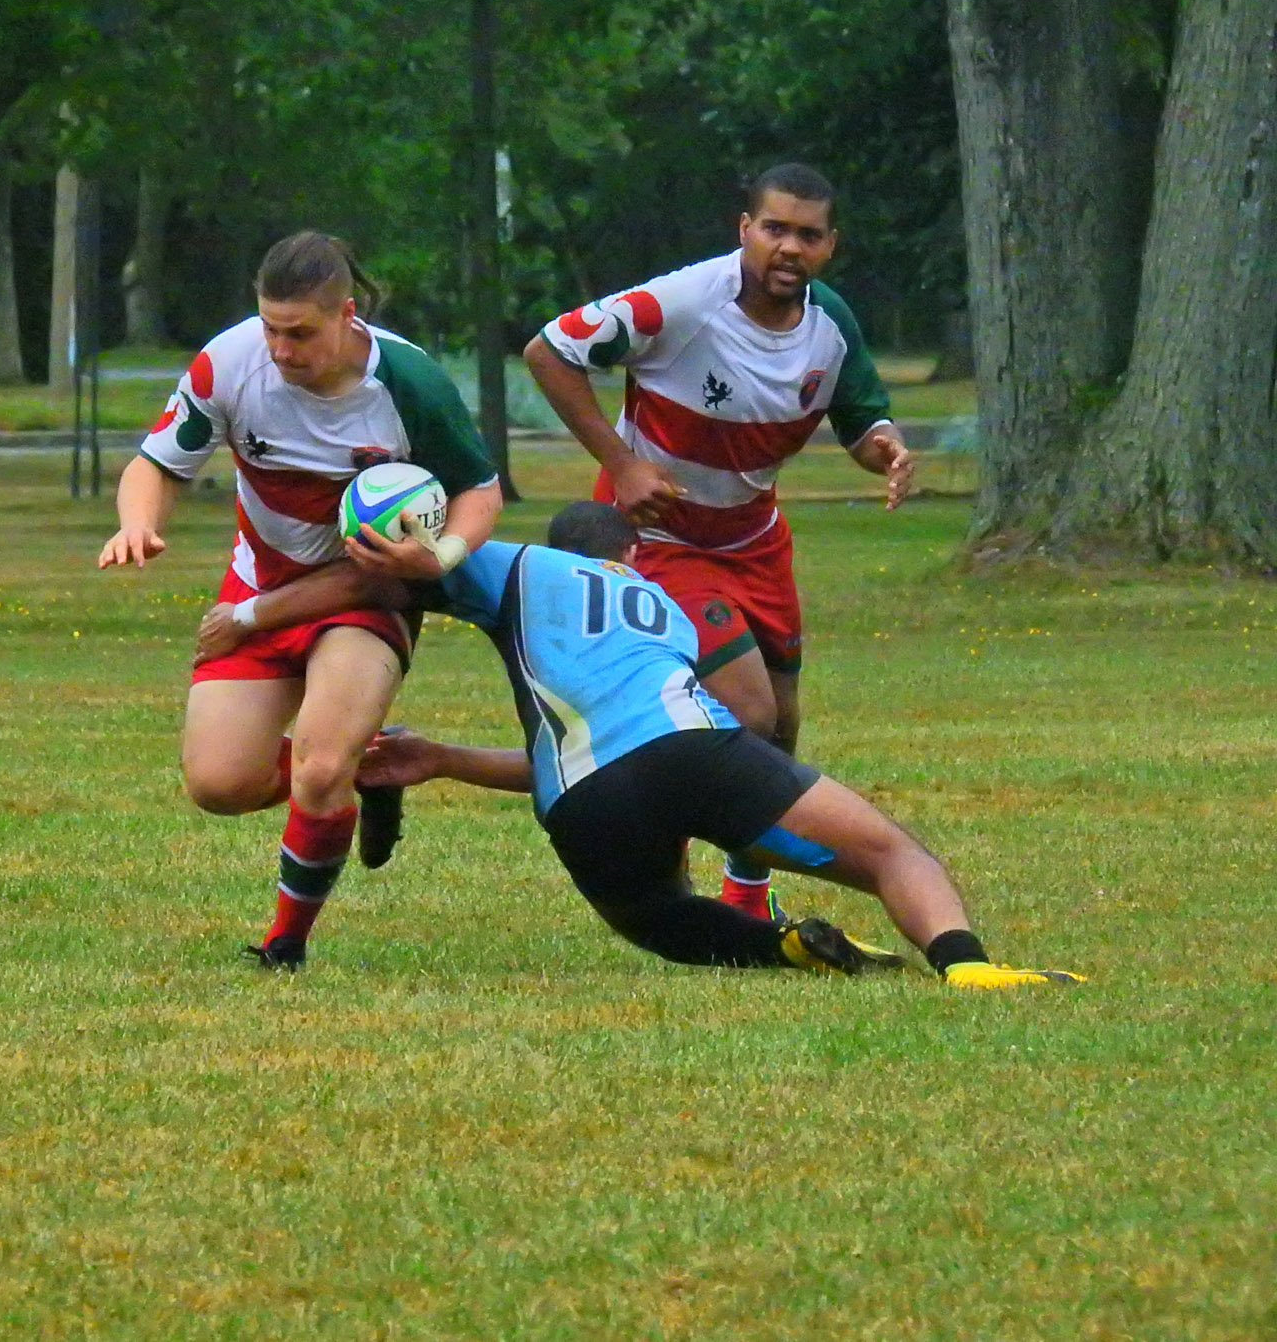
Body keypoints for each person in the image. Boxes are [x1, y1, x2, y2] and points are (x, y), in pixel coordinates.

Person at [200, 501, 1081, 989]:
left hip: (586, 805)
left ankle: (777, 952)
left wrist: (256, 614)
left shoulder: (517, 566)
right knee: (892, 852)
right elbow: (716, 726)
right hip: (700, 751)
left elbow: (389, 566)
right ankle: (968, 970)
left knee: (653, 919)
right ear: (629, 552)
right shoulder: (660, 607)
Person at [99, 232, 503, 968]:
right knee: (219, 784)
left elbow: (481, 491)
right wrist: (137, 521)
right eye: (270, 329)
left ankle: (286, 945)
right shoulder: (227, 364)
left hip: (368, 592)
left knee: (318, 768)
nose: (281, 350)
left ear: (346, 315)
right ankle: (372, 767)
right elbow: (153, 465)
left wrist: (437, 557)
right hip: (262, 580)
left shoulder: (408, 382)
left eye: (300, 333)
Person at [522, 162, 914, 922]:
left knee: (783, 722)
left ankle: (747, 890)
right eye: (774, 229)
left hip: (756, 539)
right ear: (744, 231)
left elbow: (861, 419)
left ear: (831, 246)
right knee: (749, 711)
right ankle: (656, 851)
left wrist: (887, 448)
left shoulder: (830, 323)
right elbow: (548, 349)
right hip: (660, 538)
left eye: (807, 234)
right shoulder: (683, 302)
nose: (788, 247)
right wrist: (623, 463)